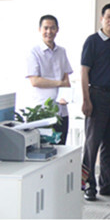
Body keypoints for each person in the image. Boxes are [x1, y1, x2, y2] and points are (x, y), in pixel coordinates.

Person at [81, 3, 110, 201]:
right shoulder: (92, 41)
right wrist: (86, 100)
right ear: (102, 19)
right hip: (97, 96)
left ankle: (107, 184)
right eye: (108, 17)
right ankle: (88, 185)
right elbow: (84, 71)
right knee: (92, 144)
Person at [26, 14, 73, 144]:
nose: (49, 31)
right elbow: (35, 81)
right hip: (42, 112)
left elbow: (66, 79)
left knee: (62, 147)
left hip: (61, 111)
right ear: (39, 29)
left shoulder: (62, 51)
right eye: (45, 28)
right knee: (44, 148)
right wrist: (59, 83)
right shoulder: (34, 52)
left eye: (52, 28)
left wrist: (67, 96)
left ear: (57, 29)